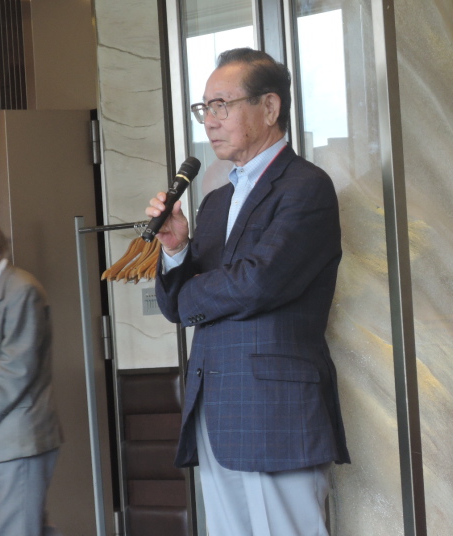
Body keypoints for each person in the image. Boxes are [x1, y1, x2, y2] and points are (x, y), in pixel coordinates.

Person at [147, 47, 350, 535]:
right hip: (215, 406)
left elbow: (260, 282)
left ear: (270, 108)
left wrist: (195, 293)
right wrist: (176, 249)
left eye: (222, 105)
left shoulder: (306, 187)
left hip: (276, 408)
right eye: (204, 108)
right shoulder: (216, 201)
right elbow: (176, 305)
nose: (210, 120)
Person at [0, 213, 63, 536]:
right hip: (3, 438)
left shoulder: (21, 290)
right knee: (30, 528)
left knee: (17, 529)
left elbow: (17, 366)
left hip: (19, 437)